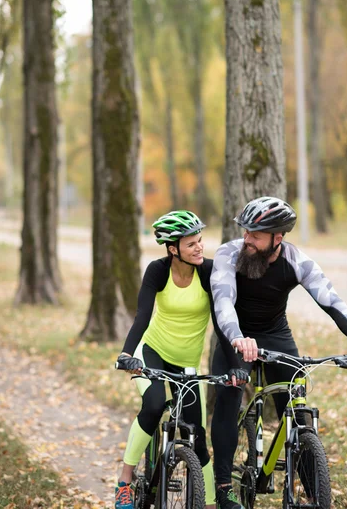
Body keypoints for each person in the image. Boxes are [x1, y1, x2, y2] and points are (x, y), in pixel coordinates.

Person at [210, 196, 347, 509]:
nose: (246, 239)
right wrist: (237, 337)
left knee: (297, 408)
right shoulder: (228, 253)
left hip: (275, 335)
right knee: (230, 395)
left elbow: (332, 301)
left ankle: (316, 495)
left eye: (255, 236)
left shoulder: (296, 261)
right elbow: (223, 302)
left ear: (278, 238)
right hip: (236, 336)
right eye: (245, 232)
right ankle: (223, 488)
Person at [115, 210, 239, 509]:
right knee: (155, 404)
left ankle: (209, 503)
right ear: (173, 249)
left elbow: (221, 321)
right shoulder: (158, 271)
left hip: (187, 363)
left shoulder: (208, 271)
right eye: (191, 244)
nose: (199, 248)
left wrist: (235, 362)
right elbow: (142, 316)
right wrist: (127, 353)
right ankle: (125, 481)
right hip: (152, 353)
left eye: (200, 241)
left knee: (197, 436)